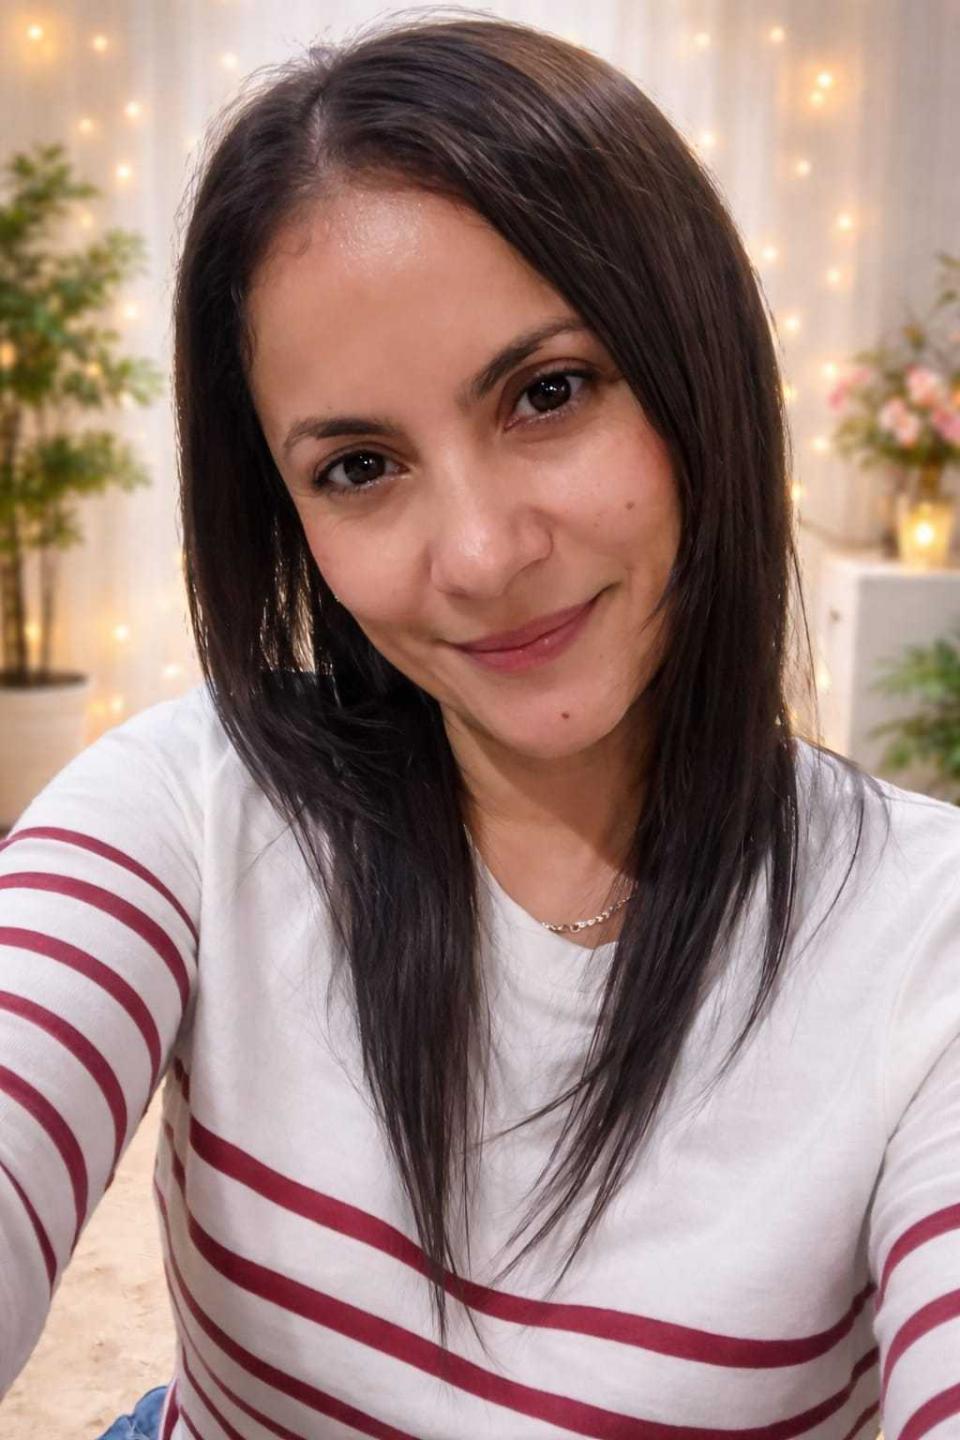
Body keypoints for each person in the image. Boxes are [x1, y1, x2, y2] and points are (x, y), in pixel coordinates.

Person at [1, 11, 958, 1439]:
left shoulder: (921, 940)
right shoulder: (191, 810)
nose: (480, 555)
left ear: (695, 369)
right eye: (360, 465)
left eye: (548, 393)